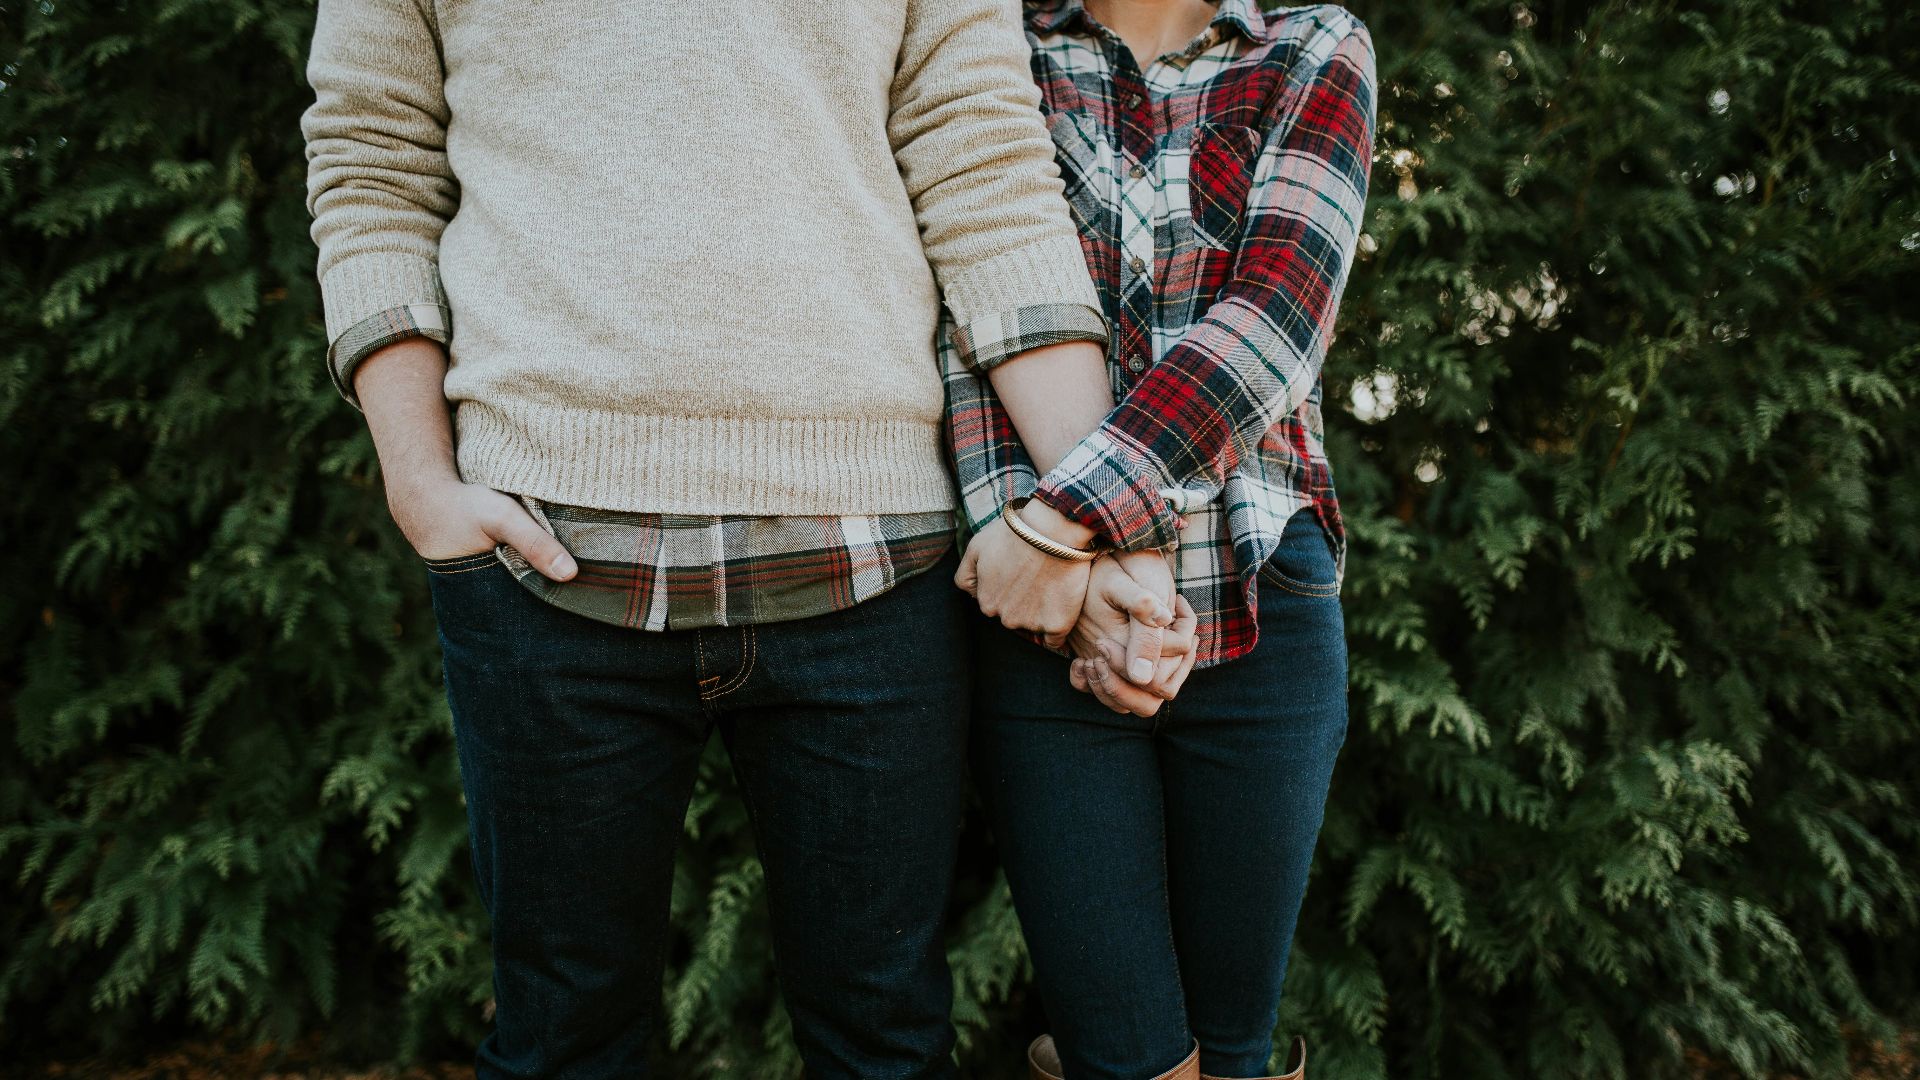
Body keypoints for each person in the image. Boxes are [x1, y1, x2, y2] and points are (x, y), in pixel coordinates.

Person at [298, 1, 1178, 1076]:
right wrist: (419, 481)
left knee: (884, 1047)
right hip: (543, 557)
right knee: (563, 1042)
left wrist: (1098, 509)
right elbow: (370, 160)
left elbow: (986, 174)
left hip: (875, 561)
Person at [943, 1, 1378, 1078]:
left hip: (1259, 591)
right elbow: (967, 314)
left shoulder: (1311, 46)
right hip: (1047, 623)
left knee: (1234, 1051)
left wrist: (1068, 520)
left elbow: (1276, 318)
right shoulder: (993, 45)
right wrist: (1067, 577)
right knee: (1122, 1052)